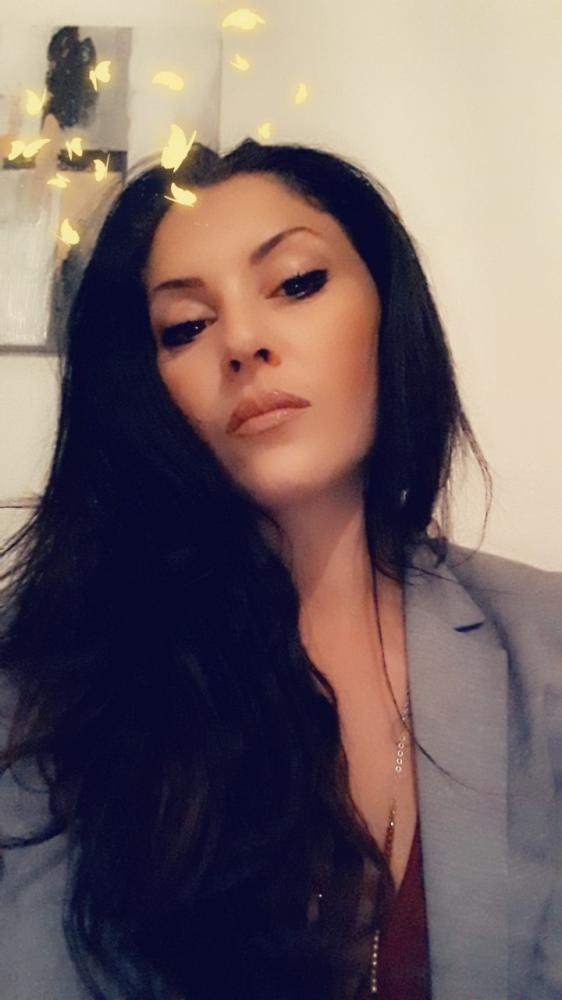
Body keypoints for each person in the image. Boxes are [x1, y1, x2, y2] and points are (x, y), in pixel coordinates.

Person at [0, 137, 560, 1000]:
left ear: (388, 308)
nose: (243, 342)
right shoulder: (48, 680)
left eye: (296, 283)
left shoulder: (543, 649)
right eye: (185, 327)